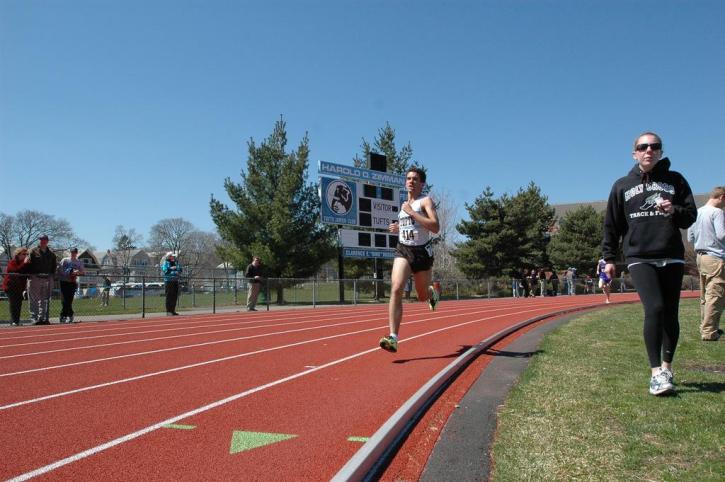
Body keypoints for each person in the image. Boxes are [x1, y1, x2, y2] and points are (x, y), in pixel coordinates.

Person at [602, 131, 697, 396]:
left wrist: (673, 210)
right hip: (639, 256)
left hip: (671, 254)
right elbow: (612, 225)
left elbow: (690, 216)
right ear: (634, 153)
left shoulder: (675, 180)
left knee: (670, 313)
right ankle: (655, 372)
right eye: (643, 147)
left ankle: (667, 367)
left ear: (660, 152)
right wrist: (609, 258)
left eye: (654, 147)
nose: (649, 151)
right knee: (654, 308)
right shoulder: (622, 185)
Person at [379, 167, 440, 353]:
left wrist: (412, 213)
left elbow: (435, 227)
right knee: (396, 288)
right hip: (403, 250)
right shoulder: (404, 205)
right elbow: (411, 226)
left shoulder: (425, 201)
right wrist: (398, 227)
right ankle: (393, 338)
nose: (411, 181)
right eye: (408, 178)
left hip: (422, 253)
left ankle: (434, 292)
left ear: (422, 183)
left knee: (422, 297)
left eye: (415, 179)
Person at [687, 186, 725, 341]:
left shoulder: (697, 212)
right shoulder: (717, 212)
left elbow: (690, 237)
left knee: (705, 295)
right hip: (715, 257)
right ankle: (709, 331)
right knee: (715, 294)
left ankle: (706, 326)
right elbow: (722, 235)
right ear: (722, 197)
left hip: (700, 257)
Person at [27, 234, 58, 325]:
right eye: (41, 239)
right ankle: (34, 318)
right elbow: (27, 264)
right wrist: (30, 276)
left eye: (44, 239)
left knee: (45, 300)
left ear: (47, 241)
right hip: (35, 277)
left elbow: (54, 266)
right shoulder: (33, 251)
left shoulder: (51, 254)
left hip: (47, 278)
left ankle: (43, 318)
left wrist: (52, 277)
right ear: (39, 241)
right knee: (34, 300)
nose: (43, 241)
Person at [3, 247, 32, 326]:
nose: (25, 256)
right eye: (24, 254)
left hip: (20, 287)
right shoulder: (12, 262)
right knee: (13, 304)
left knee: (19, 304)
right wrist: (25, 263)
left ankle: (16, 321)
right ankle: (14, 321)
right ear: (18, 254)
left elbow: (29, 272)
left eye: (27, 254)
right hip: (10, 286)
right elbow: (16, 271)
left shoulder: (26, 263)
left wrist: (28, 263)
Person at [57, 247, 85, 323]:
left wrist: (77, 272)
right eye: (72, 252)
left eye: (75, 252)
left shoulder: (79, 262)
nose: (73, 253)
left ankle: (66, 315)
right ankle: (66, 315)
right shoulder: (65, 260)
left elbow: (83, 272)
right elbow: (60, 269)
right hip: (64, 281)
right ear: (70, 252)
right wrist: (68, 273)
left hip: (72, 282)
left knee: (69, 300)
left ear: (76, 253)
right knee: (64, 300)